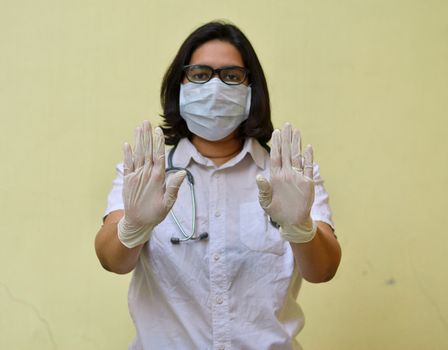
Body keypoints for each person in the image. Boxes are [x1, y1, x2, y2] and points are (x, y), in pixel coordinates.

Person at [95, 20, 341, 350]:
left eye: (231, 76)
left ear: (251, 88)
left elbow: (323, 271)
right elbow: (113, 261)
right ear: (179, 85)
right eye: (199, 74)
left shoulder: (289, 175)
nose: (214, 88)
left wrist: (301, 228)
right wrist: (133, 226)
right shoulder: (146, 173)